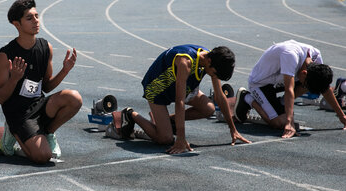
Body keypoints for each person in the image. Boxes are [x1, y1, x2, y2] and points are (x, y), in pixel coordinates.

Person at [0, 0, 82, 164]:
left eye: (36, 16)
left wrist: (64, 71)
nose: (36, 21)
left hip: (39, 105)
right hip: (18, 114)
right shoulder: (6, 55)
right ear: (17, 24)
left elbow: (47, 86)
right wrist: (14, 79)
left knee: (74, 98)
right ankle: (12, 134)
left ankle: (47, 133)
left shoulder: (45, 47)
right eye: (29, 18)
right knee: (42, 157)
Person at [119, 45, 251, 154]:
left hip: (182, 85)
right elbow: (179, 101)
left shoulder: (212, 59)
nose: (214, 77)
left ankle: (167, 120)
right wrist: (181, 139)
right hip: (158, 89)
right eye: (215, 74)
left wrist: (232, 129)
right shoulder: (185, 62)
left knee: (209, 108)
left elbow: (220, 96)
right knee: (165, 139)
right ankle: (130, 114)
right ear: (209, 62)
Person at [233, 40, 346, 138]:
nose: (305, 88)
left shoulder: (315, 57)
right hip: (260, 84)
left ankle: (282, 103)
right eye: (305, 84)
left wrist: (342, 117)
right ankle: (247, 98)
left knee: (313, 83)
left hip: (278, 82)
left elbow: (325, 88)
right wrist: (289, 122)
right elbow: (289, 90)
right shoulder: (290, 55)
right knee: (278, 123)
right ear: (304, 73)